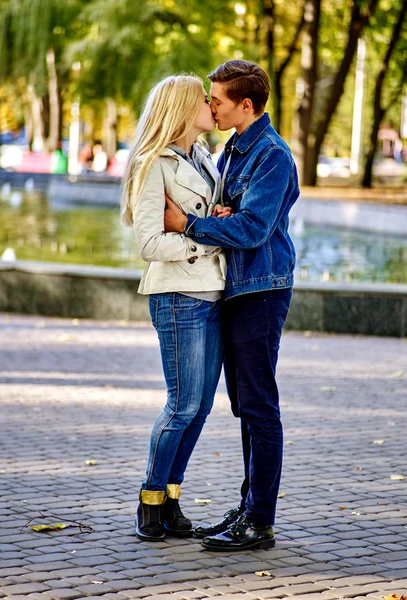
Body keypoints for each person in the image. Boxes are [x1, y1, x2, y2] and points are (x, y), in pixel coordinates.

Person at [164, 60, 300, 551]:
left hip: (261, 290)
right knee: (245, 406)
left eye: (217, 100)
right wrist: (225, 211)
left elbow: (253, 230)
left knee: (259, 406)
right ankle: (248, 507)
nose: (210, 106)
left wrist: (191, 226)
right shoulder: (234, 150)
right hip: (239, 289)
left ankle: (260, 520)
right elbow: (241, 214)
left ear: (246, 105)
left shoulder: (271, 154)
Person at [121, 75, 227, 542]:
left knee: (201, 406)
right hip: (178, 295)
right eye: (204, 99)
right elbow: (148, 242)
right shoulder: (153, 163)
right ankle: (149, 500)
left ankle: (171, 496)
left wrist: (213, 220)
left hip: (214, 293)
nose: (212, 104)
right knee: (182, 404)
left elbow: (200, 219)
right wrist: (202, 238)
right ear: (184, 108)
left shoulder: (203, 158)